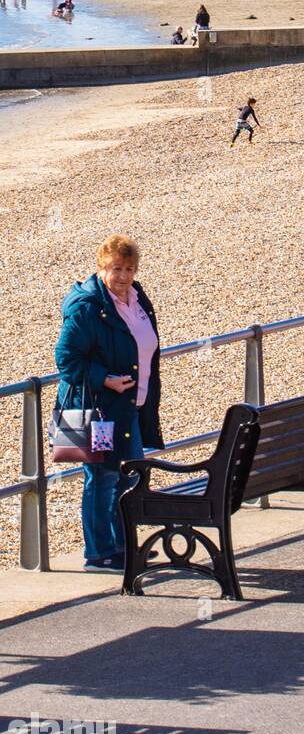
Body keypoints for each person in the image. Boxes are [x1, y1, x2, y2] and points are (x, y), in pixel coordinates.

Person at [54, 235, 163, 573]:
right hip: (97, 410)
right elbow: (67, 360)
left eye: (129, 268)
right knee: (101, 478)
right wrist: (105, 379)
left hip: (129, 406)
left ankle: (122, 546)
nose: (123, 276)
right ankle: (99, 553)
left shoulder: (136, 297)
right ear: (101, 267)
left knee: (127, 476)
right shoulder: (88, 306)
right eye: (116, 268)